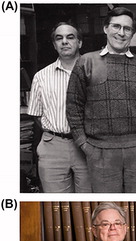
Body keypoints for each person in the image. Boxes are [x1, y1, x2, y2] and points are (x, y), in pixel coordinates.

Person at [66, 6, 136, 193]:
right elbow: (73, 106)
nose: (121, 33)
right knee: (107, 205)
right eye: (116, 26)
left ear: (133, 33)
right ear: (106, 28)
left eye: (127, 29)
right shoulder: (86, 62)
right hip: (100, 150)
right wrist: (84, 144)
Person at [27, 22, 91, 193]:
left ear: (80, 42)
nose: (64, 41)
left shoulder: (94, 72)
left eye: (70, 37)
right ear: (54, 45)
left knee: (90, 204)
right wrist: (57, 132)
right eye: (59, 38)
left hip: (88, 146)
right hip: (52, 147)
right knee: (57, 205)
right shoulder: (41, 76)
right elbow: (36, 114)